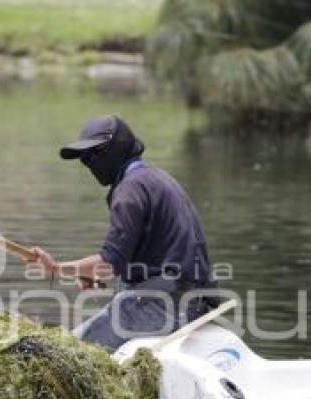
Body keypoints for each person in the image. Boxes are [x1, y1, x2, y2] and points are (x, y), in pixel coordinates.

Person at [27, 115, 218, 351]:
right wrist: (99, 276)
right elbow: (142, 259)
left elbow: (108, 262)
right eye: (84, 160)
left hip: (165, 307)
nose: (89, 164)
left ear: (115, 149)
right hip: (194, 303)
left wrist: (55, 268)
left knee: (67, 354)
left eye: (93, 155)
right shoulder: (156, 178)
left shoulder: (129, 190)